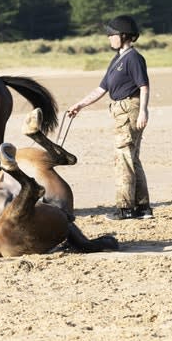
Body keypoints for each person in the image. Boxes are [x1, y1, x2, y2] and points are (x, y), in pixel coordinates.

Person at [67, 15, 153, 221]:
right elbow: (101, 89)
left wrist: (143, 111)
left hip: (129, 110)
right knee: (132, 158)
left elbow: (144, 86)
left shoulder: (133, 58)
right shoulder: (117, 59)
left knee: (123, 158)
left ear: (124, 36)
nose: (109, 38)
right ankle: (143, 208)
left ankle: (125, 209)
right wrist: (80, 104)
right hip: (120, 110)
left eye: (112, 34)